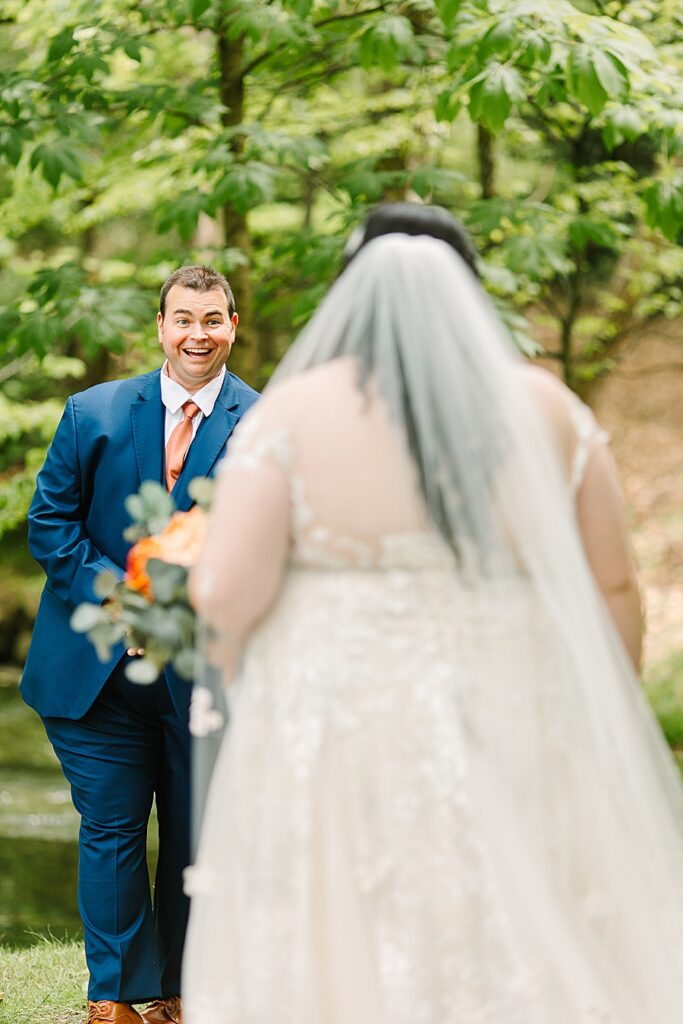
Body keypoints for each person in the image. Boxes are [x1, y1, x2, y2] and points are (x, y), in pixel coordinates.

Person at [182, 207, 683, 1023]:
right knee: (521, 914)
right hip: (522, 707)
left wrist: (223, 644)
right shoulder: (548, 409)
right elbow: (614, 585)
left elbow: (228, 593)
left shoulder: (295, 412)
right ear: (471, 291)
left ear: (347, 295)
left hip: (342, 724)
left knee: (346, 922)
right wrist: (599, 700)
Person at [20, 265, 259, 1024]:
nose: (198, 334)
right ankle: (116, 999)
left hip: (210, 674)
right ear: (160, 327)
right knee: (113, 830)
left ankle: (183, 993)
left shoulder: (267, 426)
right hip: (95, 672)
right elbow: (50, 524)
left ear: (232, 326)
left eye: (213, 319)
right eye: (183, 319)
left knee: (196, 840)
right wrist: (120, 597)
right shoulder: (90, 412)